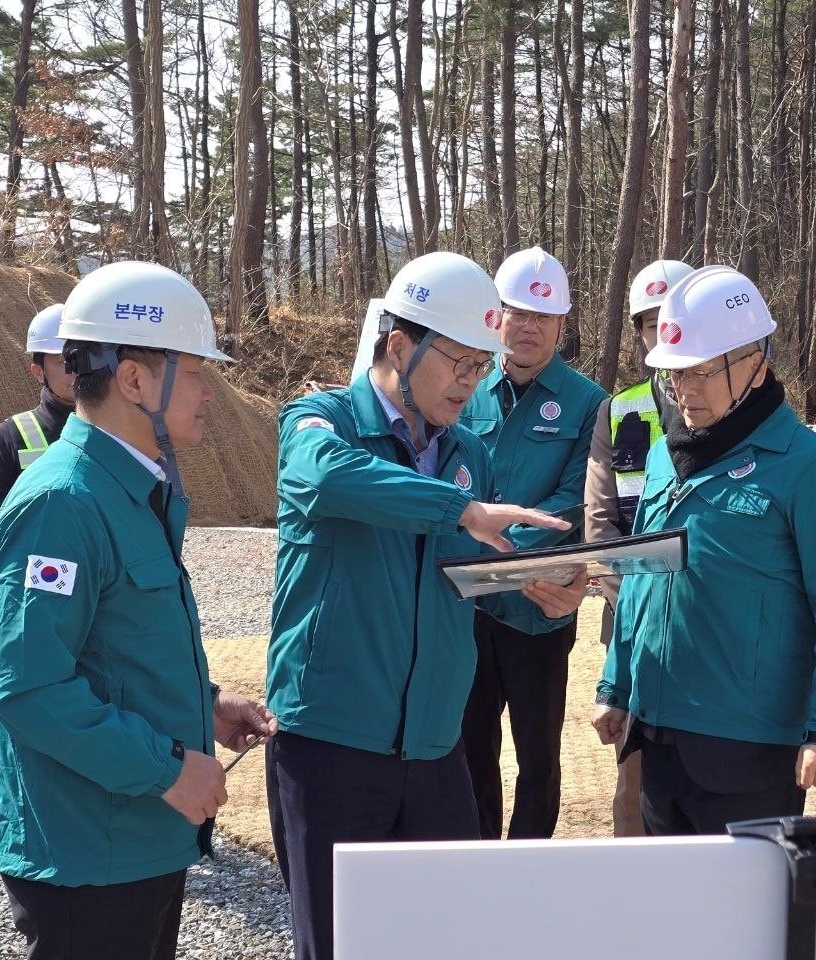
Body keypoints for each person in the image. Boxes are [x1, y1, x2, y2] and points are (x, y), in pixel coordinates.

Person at [265, 251, 585, 960]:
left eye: (481, 368)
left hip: (437, 748)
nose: (472, 385)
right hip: (332, 742)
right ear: (400, 346)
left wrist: (542, 593)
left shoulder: (467, 449)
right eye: (460, 364)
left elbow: (470, 571)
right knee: (340, 945)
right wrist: (462, 508)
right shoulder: (321, 421)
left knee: (443, 942)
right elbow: (327, 480)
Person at [0, 261, 276, 960]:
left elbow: (115, 652)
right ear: (135, 380)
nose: (211, 393)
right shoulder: (63, 501)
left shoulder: (129, 489)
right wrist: (168, 768)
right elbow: (29, 688)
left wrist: (202, 705)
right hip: (91, 852)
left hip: (136, 837)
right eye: (197, 371)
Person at [590, 265, 816, 836]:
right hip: (659, 731)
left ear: (754, 362)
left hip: (748, 743)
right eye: (673, 376)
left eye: (699, 373)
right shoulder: (668, 455)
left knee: (744, 919)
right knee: (668, 908)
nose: (683, 392)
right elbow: (643, 575)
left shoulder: (810, 466)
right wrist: (617, 685)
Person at [460, 246, 607, 840]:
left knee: (537, 755)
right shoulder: (466, 387)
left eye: (542, 317)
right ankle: (475, 863)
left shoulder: (587, 402)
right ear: (497, 316)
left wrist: (498, 551)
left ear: (561, 326)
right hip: (466, 606)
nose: (528, 326)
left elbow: (575, 497)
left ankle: (528, 864)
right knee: (470, 746)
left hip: (538, 608)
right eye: (517, 312)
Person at [585, 258, 692, 837]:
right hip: (631, 622)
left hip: (707, 624)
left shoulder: (730, 403)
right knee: (634, 789)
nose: (660, 334)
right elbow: (599, 524)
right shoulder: (617, 410)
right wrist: (642, 601)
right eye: (648, 323)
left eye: (670, 319)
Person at [0, 304, 76, 534]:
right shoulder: (11, 435)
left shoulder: (119, 428)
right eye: (64, 362)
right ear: (38, 372)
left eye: (83, 358)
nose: (76, 370)